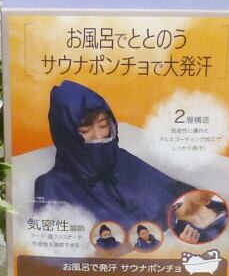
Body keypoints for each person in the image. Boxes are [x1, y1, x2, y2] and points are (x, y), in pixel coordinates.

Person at [34, 80, 194, 230]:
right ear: (66, 135)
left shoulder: (122, 159)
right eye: (85, 130)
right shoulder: (51, 185)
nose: (98, 136)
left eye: (103, 125)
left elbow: (176, 194)